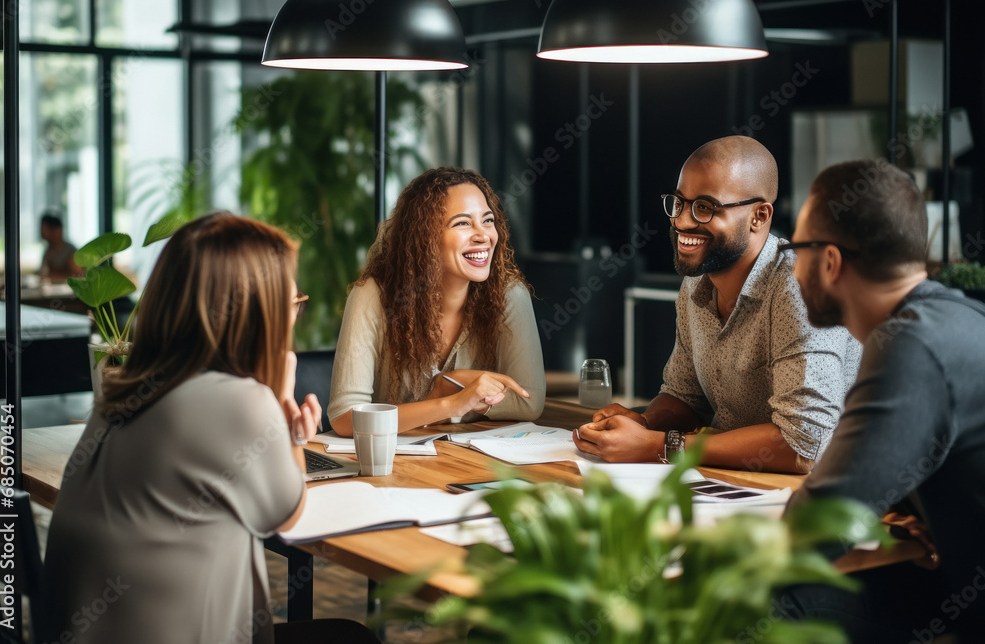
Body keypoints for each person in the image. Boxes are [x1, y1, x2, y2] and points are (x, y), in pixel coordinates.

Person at [43, 213, 378, 644]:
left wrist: (288, 433)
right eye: (291, 303)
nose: (293, 317)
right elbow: (287, 513)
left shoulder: (123, 390)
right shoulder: (237, 400)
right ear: (256, 313)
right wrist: (278, 396)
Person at [781, 160, 985, 640]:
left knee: (769, 600)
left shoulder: (909, 346)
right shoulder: (961, 315)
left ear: (830, 262)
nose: (791, 269)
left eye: (796, 250)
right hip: (950, 587)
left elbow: (810, 530)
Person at [573, 136, 860, 472]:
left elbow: (804, 445)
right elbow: (685, 397)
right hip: (740, 483)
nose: (681, 221)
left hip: (827, 498)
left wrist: (660, 446)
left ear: (759, 215)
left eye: (705, 207)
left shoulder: (798, 288)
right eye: (678, 203)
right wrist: (645, 424)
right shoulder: (697, 281)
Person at [329, 166, 545, 436]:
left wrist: (449, 382)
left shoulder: (509, 295)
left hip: (470, 460)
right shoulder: (373, 296)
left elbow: (528, 400)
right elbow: (345, 417)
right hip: (391, 466)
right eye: (463, 223)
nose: (483, 236)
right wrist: (449, 399)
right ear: (425, 238)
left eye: (487, 220)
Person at [39, 212, 84, 281]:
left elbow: (77, 276)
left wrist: (51, 276)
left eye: (45, 229)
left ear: (57, 230)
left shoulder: (70, 251)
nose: (41, 232)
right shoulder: (48, 250)